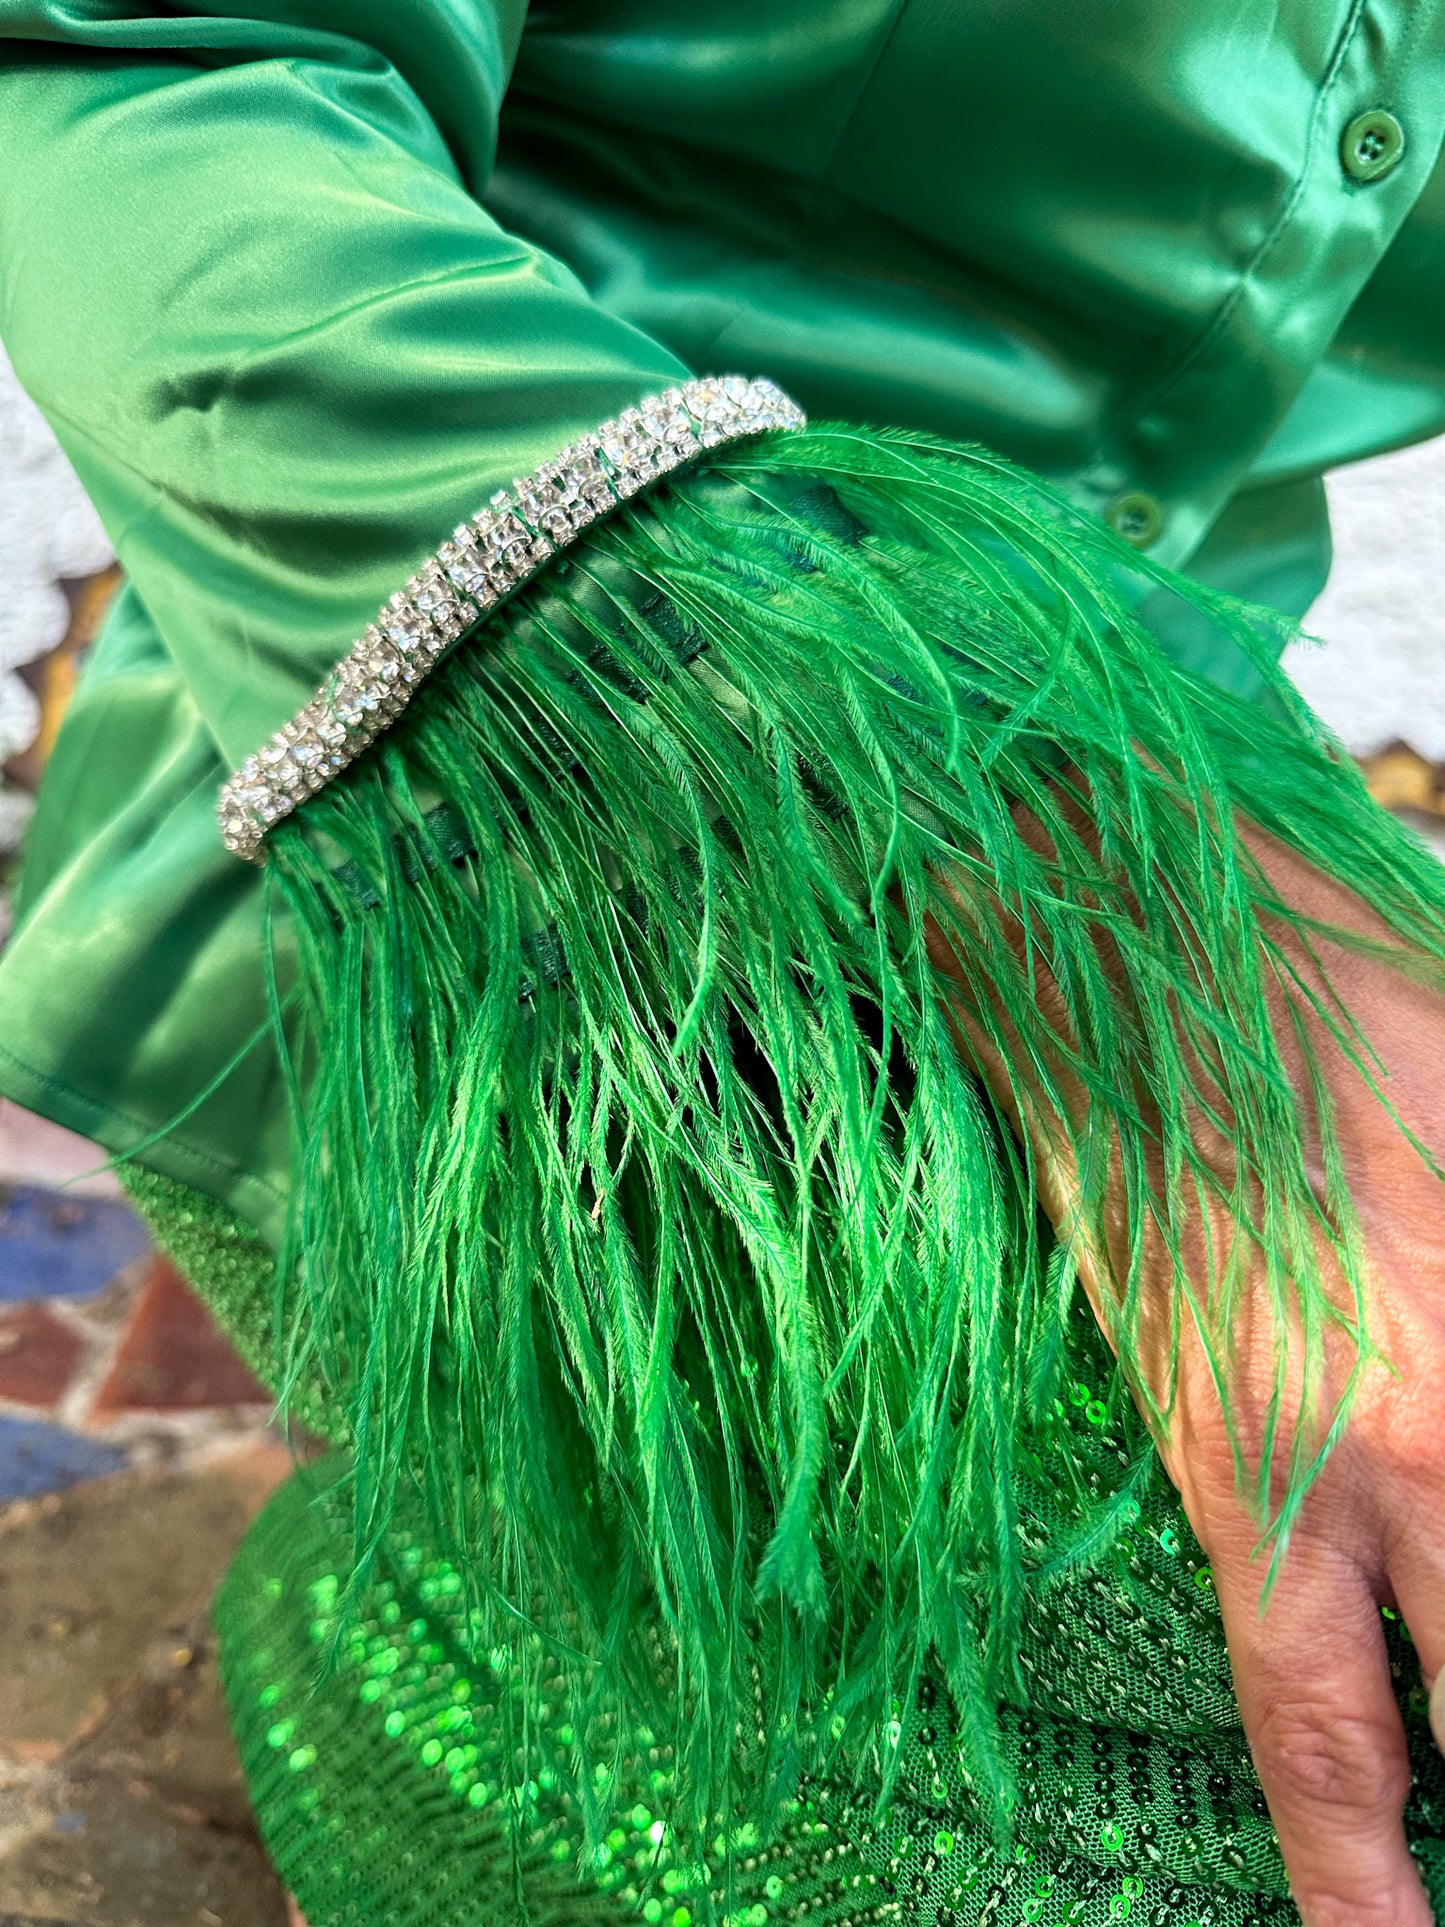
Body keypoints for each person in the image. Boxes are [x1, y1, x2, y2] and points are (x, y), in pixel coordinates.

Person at [0, 5, 1443, 1924]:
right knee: (1280, 1782)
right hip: (499, 799)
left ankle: (487, 1585)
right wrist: (1082, 866)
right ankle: (410, 1674)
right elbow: (145, 79)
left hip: (1210, 759)